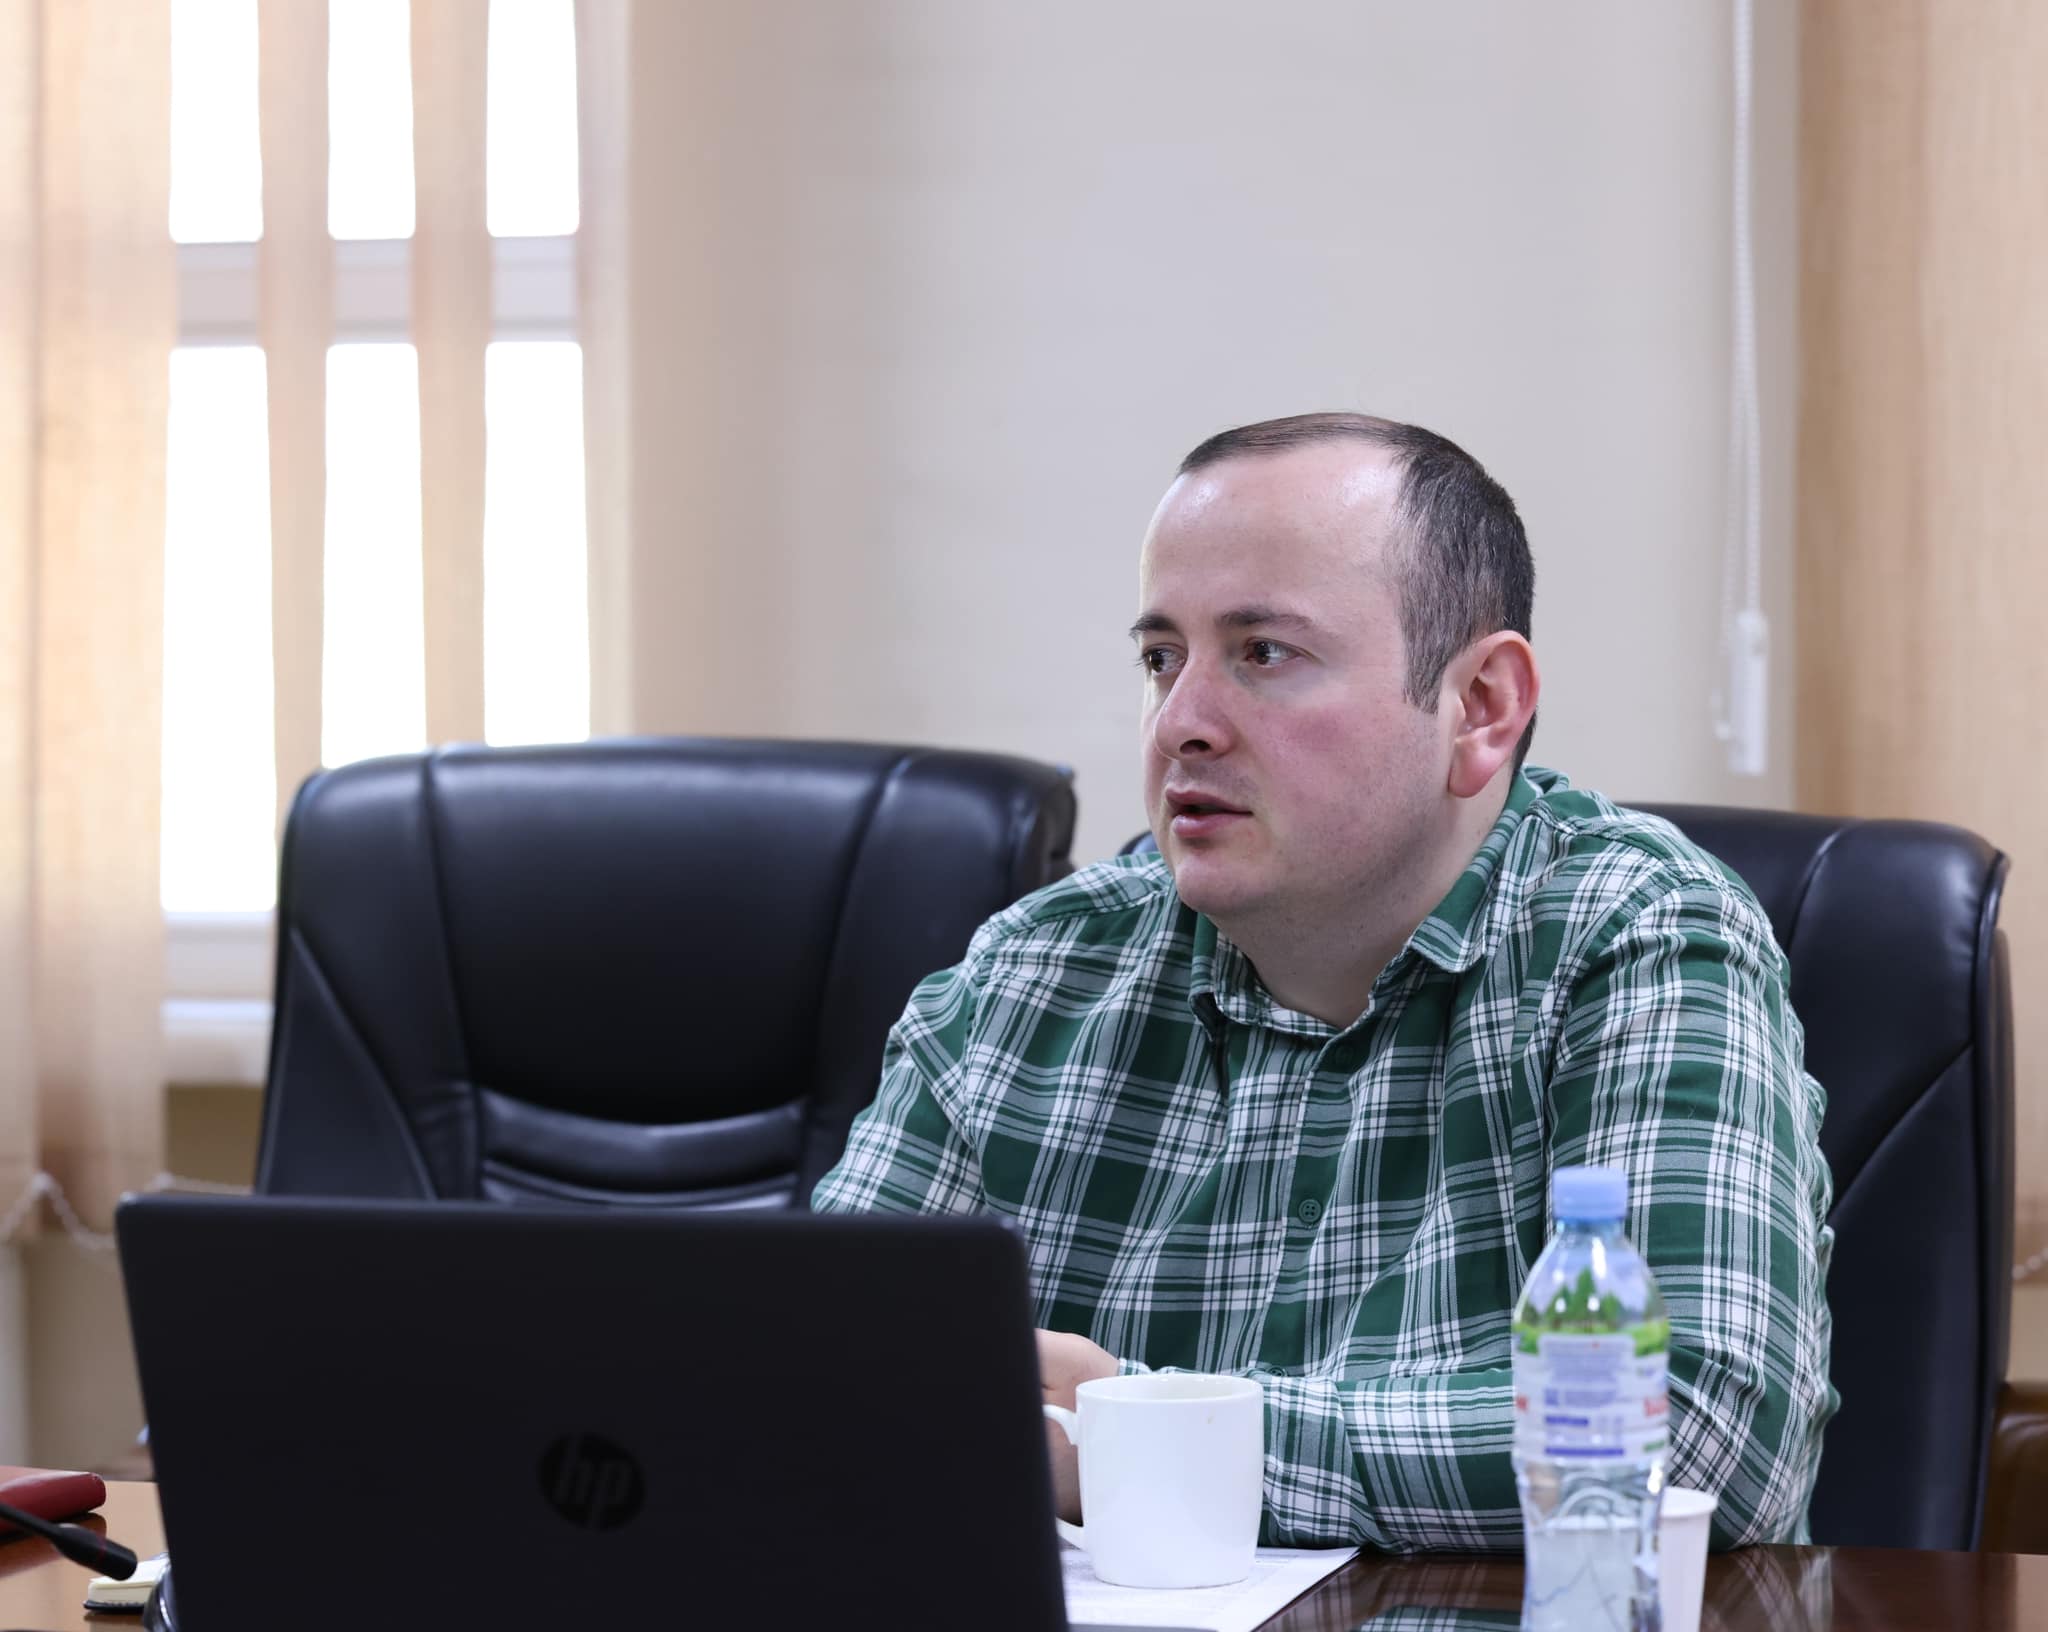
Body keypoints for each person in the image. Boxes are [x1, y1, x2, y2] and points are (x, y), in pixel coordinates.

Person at [811, 412, 1835, 1552]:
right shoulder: (1030, 976)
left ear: (1480, 707)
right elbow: (806, 1379)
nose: (1180, 724)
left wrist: (1149, 1439)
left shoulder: (1638, 939)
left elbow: (1696, 1437)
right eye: (1161, 659)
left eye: (1263, 654)